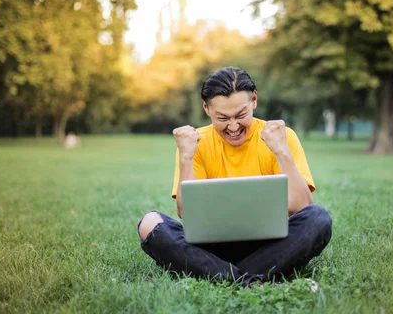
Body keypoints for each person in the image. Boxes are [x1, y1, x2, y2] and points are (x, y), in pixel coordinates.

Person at [137, 66, 332, 287]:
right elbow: (186, 214)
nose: (233, 127)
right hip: (212, 246)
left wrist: (281, 151)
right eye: (222, 118)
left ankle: (220, 275)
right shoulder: (194, 143)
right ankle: (249, 279)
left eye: (241, 115)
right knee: (149, 223)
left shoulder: (280, 136)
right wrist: (185, 158)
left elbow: (302, 208)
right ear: (206, 108)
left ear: (254, 100)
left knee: (318, 218)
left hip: (270, 245)